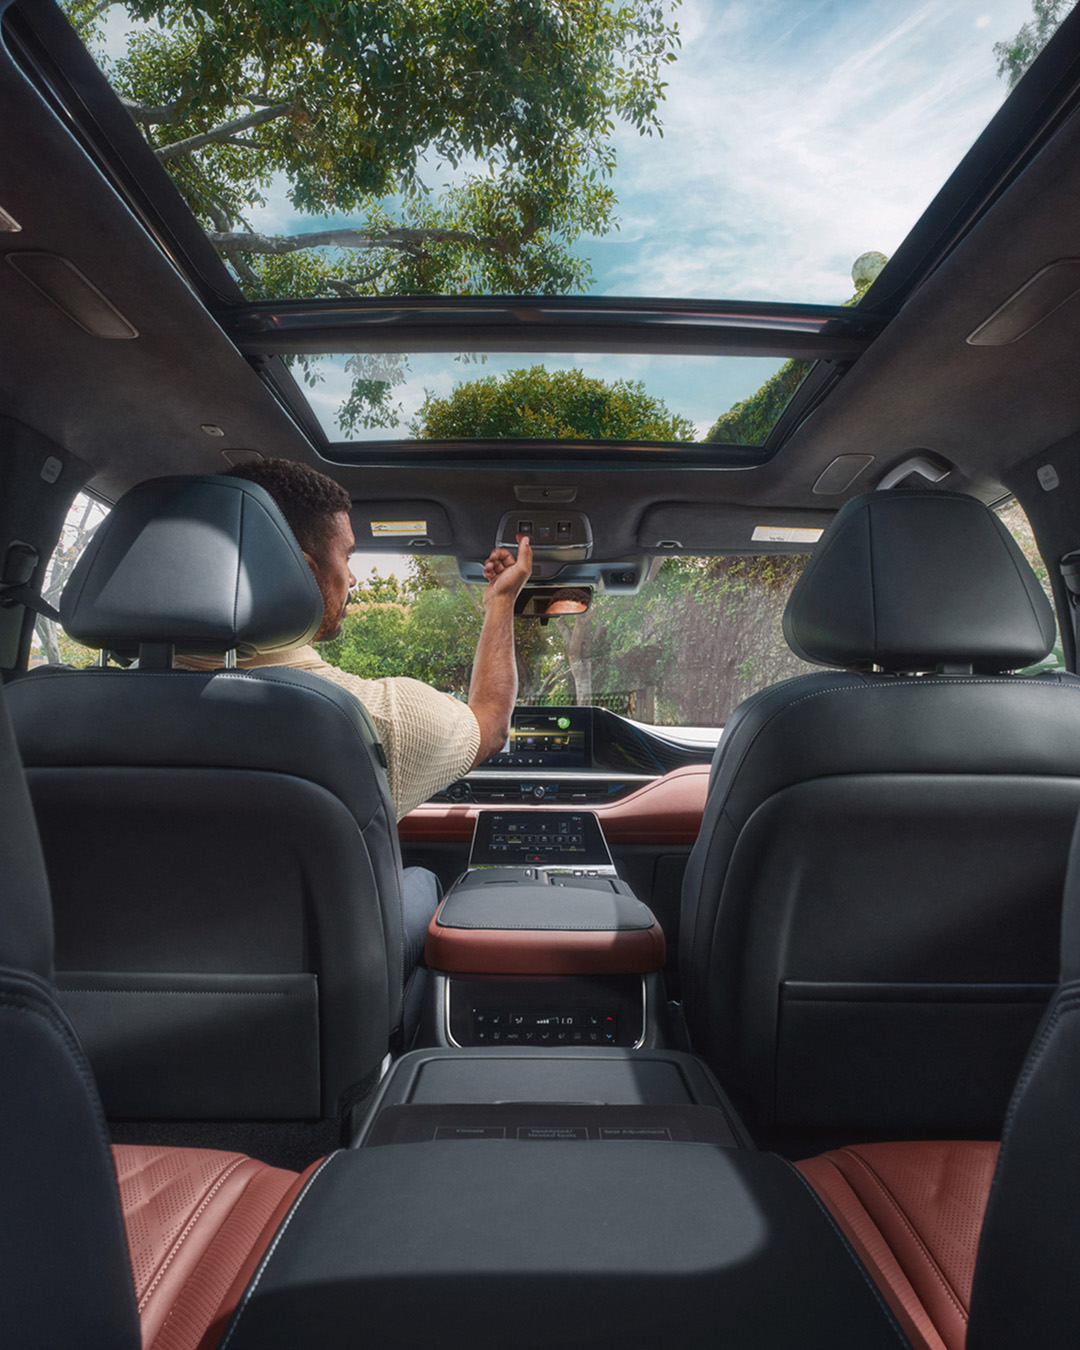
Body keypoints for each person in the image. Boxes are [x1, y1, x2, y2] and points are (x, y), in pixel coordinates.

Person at [181, 458, 533, 976]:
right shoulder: (366, 718)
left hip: (91, 1033)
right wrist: (501, 603)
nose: (353, 576)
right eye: (346, 556)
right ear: (300, 571)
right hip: (311, 1027)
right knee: (423, 882)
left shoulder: (35, 720)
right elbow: (491, 721)